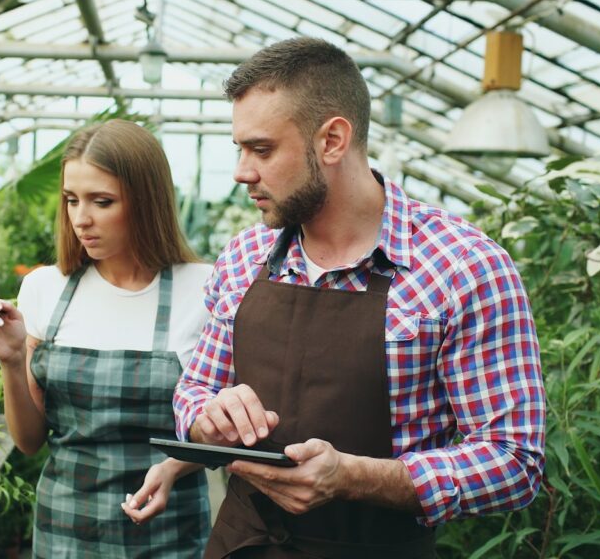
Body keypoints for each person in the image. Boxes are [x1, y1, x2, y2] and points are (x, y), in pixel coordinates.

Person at [173, 37, 546, 558]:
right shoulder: (243, 256)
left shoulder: (464, 268)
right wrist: (206, 416)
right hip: (242, 543)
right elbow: (193, 391)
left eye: (261, 149)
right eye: (240, 149)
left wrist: (354, 476)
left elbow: (513, 460)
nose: (242, 171)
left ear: (332, 140)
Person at [0, 119, 211, 557]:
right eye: (71, 200)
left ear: (147, 201)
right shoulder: (46, 288)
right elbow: (29, 440)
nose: (81, 219)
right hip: (66, 528)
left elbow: (229, 435)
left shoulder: (205, 289)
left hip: (170, 530)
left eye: (102, 201)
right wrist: (10, 358)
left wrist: (176, 465)